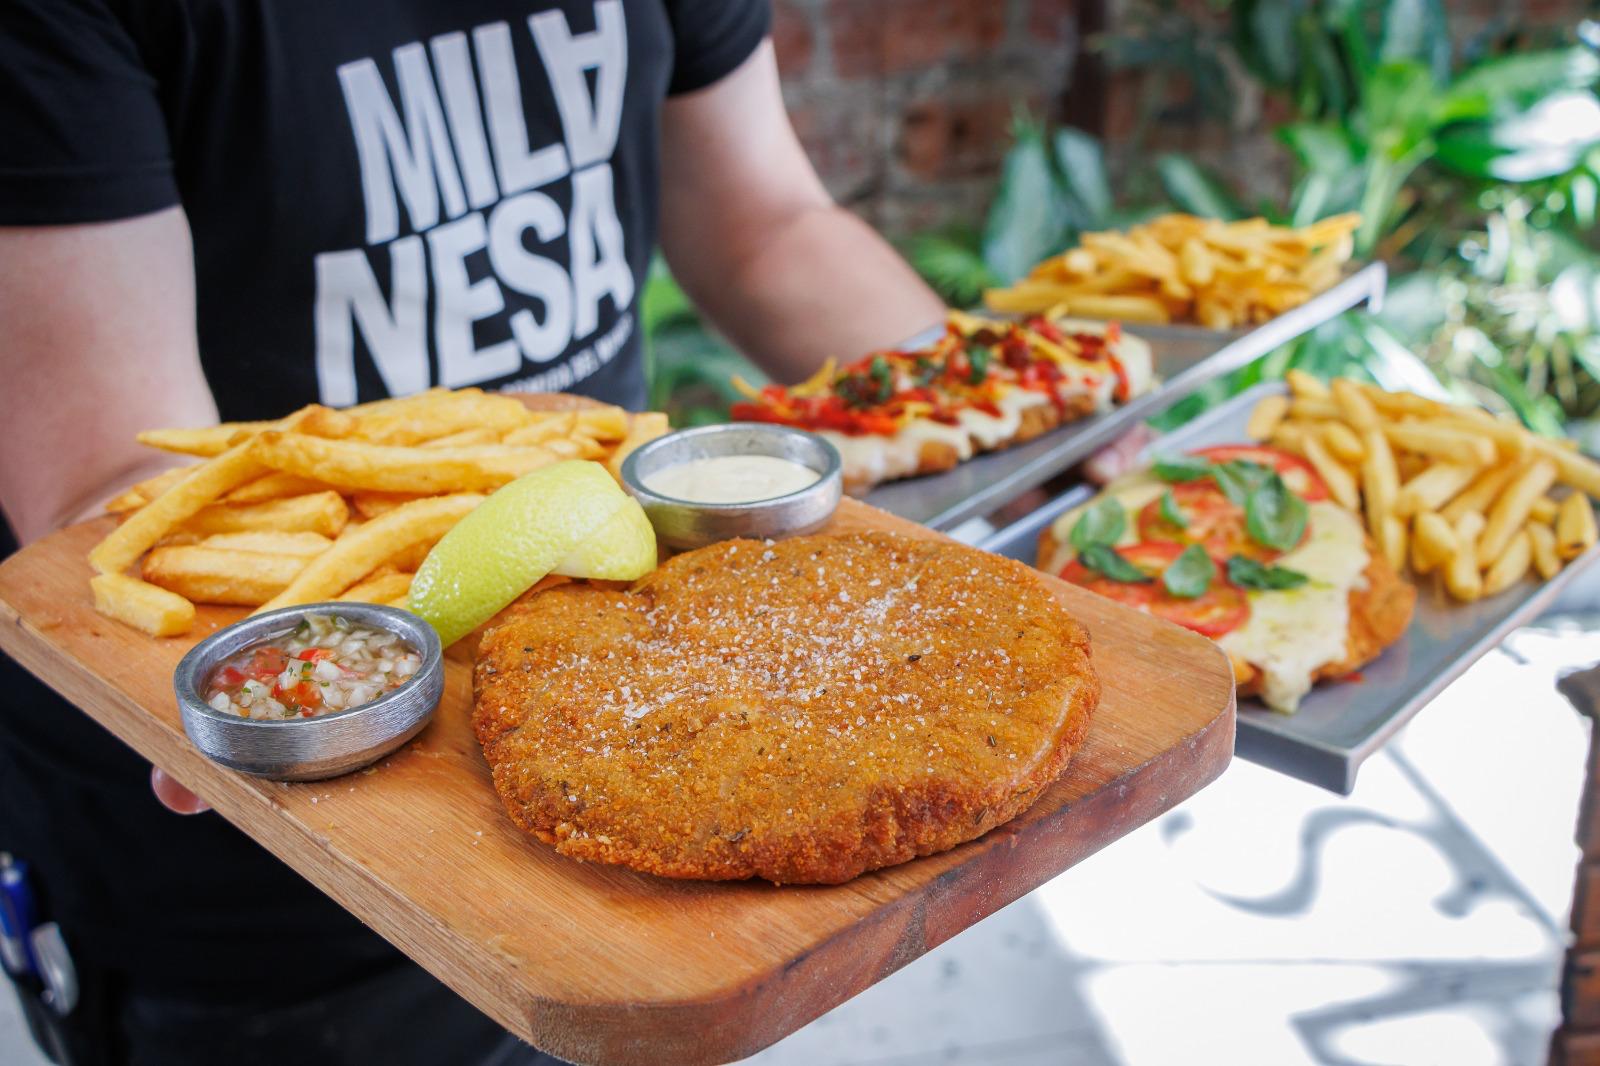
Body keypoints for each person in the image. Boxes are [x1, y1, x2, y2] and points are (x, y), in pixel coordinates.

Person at [0, 2, 945, 1062]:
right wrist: (277, 684)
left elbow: (765, 226)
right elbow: (116, 473)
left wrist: (995, 395)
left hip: (625, 762)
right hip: (267, 898)